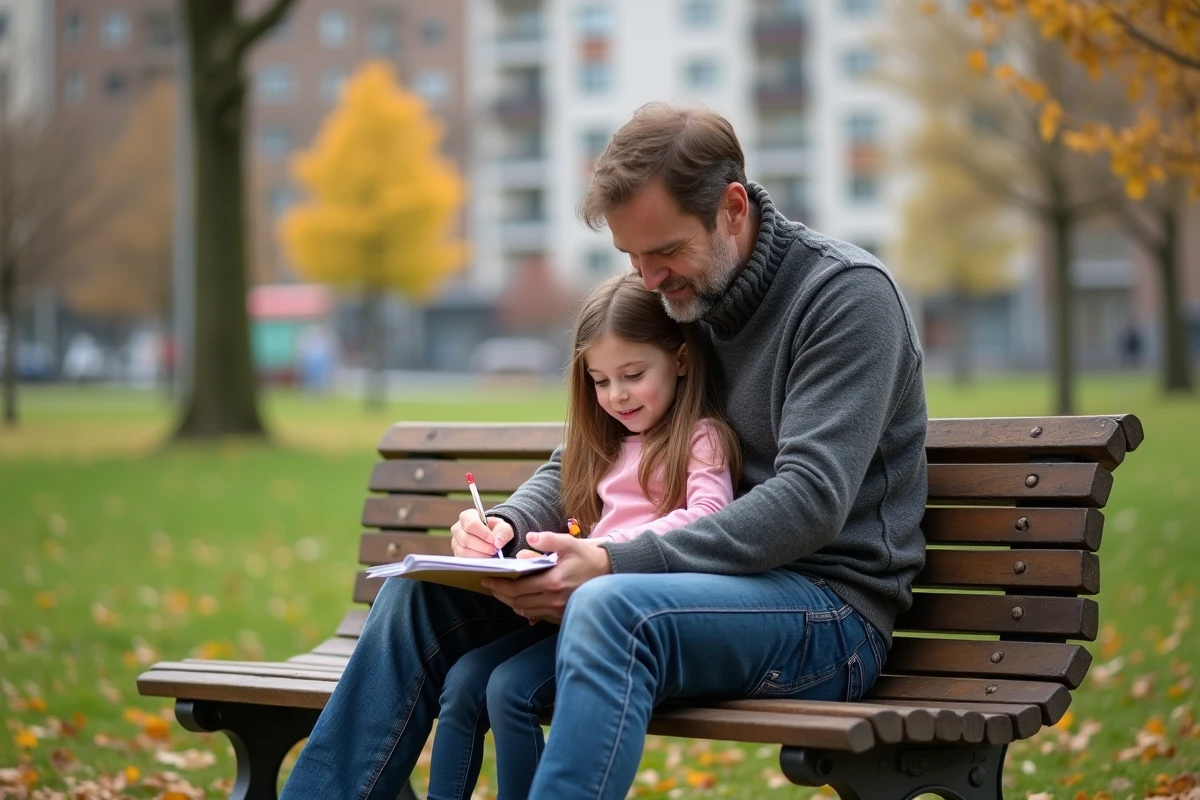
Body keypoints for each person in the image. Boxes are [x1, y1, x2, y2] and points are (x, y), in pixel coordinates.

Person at [281, 103, 927, 800]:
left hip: (826, 612)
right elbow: (585, 458)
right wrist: (510, 525)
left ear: (733, 208)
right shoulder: (689, 302)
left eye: (665, 251)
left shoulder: (844, 299)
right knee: (419, 597)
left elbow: (810, 501)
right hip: (687, 593)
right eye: (631, 258)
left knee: (609, 606)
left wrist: (615, 563)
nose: (648, 278)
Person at [425, 274, 740, 800]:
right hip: (570, 609)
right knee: (462, 681)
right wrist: (532, 552)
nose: (617, 395)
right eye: (600, 380)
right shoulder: (604, 445)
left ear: (681, 359)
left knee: (508, 689)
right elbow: (582, 524)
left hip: (628, 620)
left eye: (633, 374)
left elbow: (710, 516)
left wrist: (606, 552)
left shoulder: (699, 438)